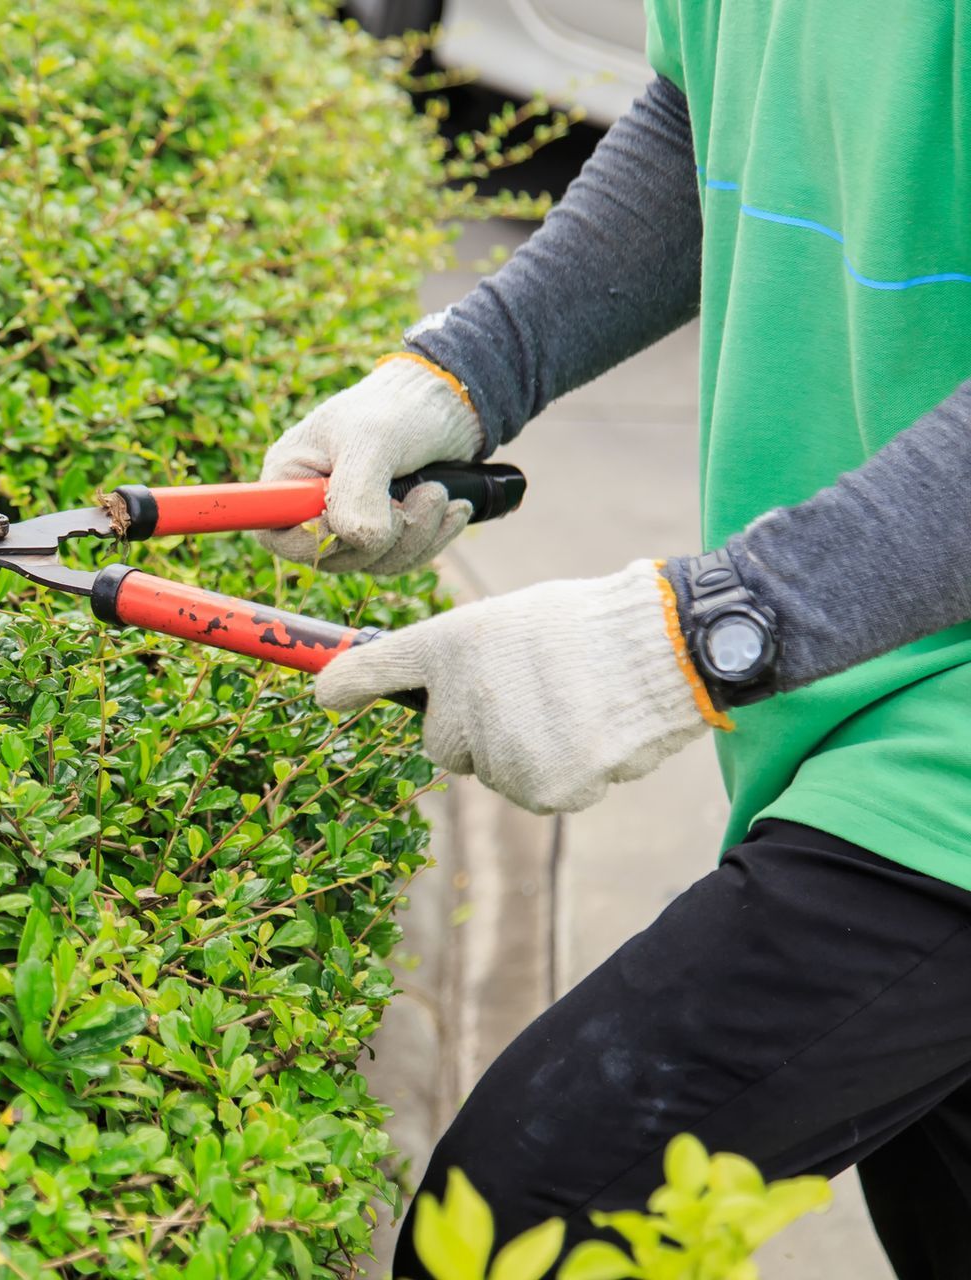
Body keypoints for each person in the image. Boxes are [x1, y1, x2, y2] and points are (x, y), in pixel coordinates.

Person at [256, 6, 971, 1278]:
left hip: (938, 778)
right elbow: (712, 114)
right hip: (861, 710)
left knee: (518, 1225)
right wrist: (464, 375)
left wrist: (701, 634)